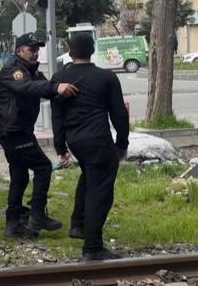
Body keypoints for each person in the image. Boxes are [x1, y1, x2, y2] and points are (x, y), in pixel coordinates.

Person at [0, 33, 79, 239]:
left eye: (37, 49)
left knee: (19, 174)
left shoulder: (32, 71)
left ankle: (14, 223)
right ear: (19, 51)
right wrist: (56, 87)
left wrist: (65, 84)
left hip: (19, 129)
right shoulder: (13, 70)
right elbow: (27, 87)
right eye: (31, 49)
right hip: (12, 130)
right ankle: (37, 216)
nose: (35, 53)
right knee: (43, 167)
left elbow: (46, 89)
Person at [51, 34, 129, 261]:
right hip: (98, 140)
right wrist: (122, 144)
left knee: (89, 178)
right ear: (92, 50)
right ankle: (93, 247)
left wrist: (61, 148)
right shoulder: (106, 77)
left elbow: (57, 117)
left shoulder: (59, 79)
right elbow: (119, 114)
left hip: (76, 142)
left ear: (70, 52)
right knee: (100, 192)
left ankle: (78, 225)